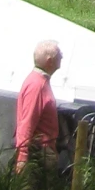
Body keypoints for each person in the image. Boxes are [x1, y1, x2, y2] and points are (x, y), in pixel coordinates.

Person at [14, 40, 62, 172]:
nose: (62, 56)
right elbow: (27, 121)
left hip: (42, 150)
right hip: (38, 152)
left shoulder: (40, 81)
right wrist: (22, 157)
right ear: (49, 60)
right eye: (59, 54)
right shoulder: (37, 85)